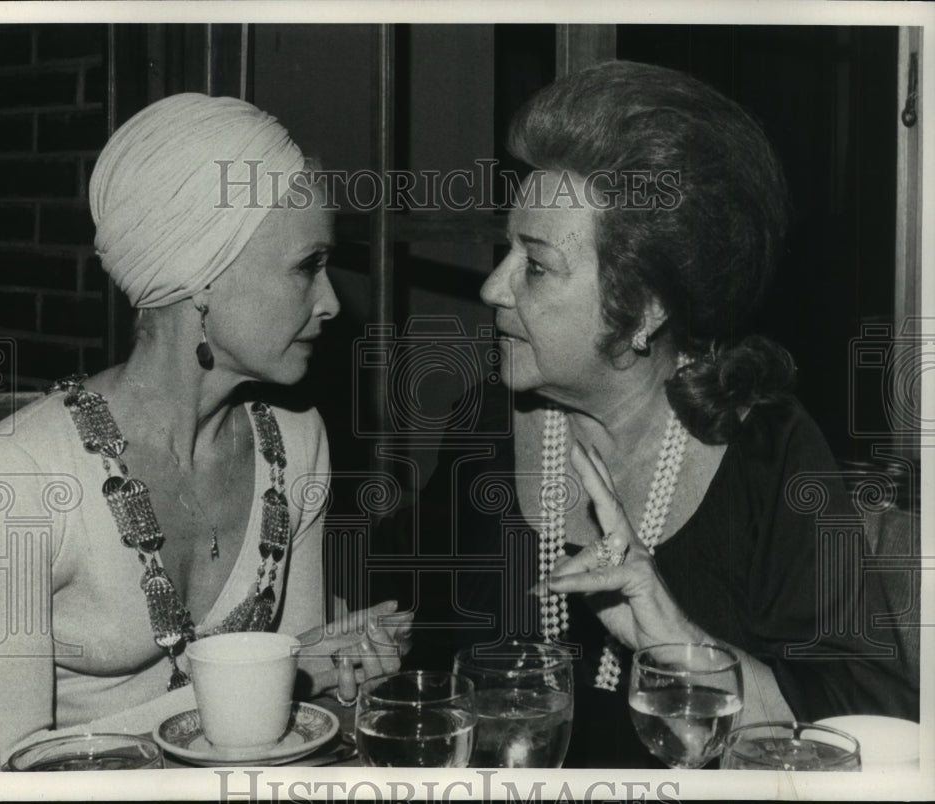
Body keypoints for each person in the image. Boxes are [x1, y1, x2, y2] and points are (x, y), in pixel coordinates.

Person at [392, 61, 918, 767]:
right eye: (505, 250)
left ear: (644, 309)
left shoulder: (767, 451)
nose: (492, 287)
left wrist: (671, 640)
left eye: (536, 265)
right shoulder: (488, 420)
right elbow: (426, 648)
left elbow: (871, 725)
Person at [0, 93, 410, 755]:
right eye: (306, 267)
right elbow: (9, 766)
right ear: (201, 275)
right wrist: (279, 674)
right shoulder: (23, 473)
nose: (333, 301)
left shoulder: (298, 441)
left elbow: (295, 726)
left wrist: (342, 677)